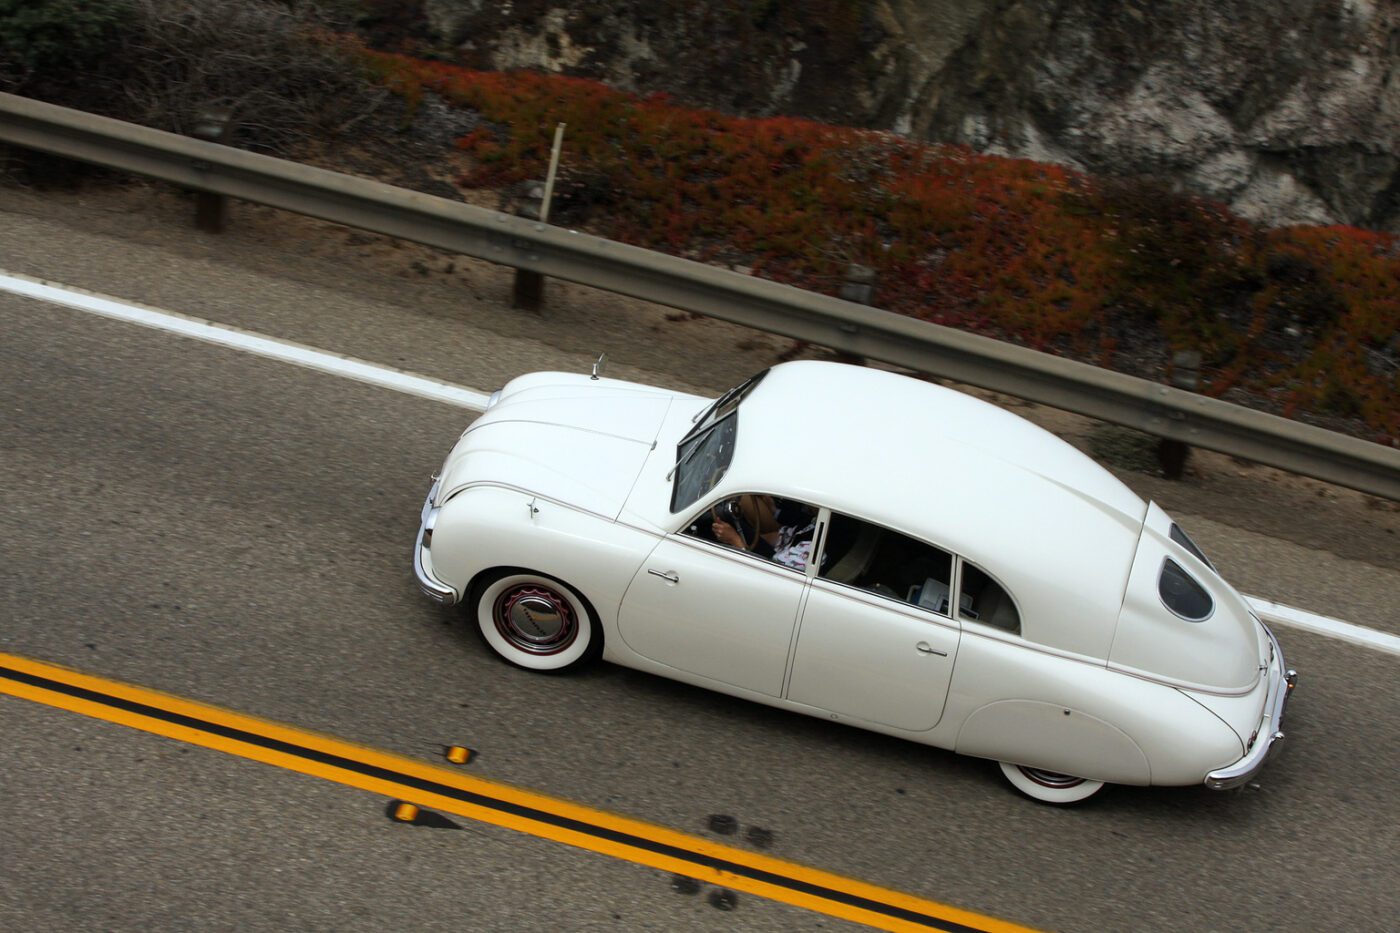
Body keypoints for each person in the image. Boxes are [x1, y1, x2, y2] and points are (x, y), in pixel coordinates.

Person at [711, 495, 820, 570]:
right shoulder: (815, 524)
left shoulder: (814, 549)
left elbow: (770, 572)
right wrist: (753, 538)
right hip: (777, 552)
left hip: (767, 565)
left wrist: (735, 541)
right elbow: (781, 536)